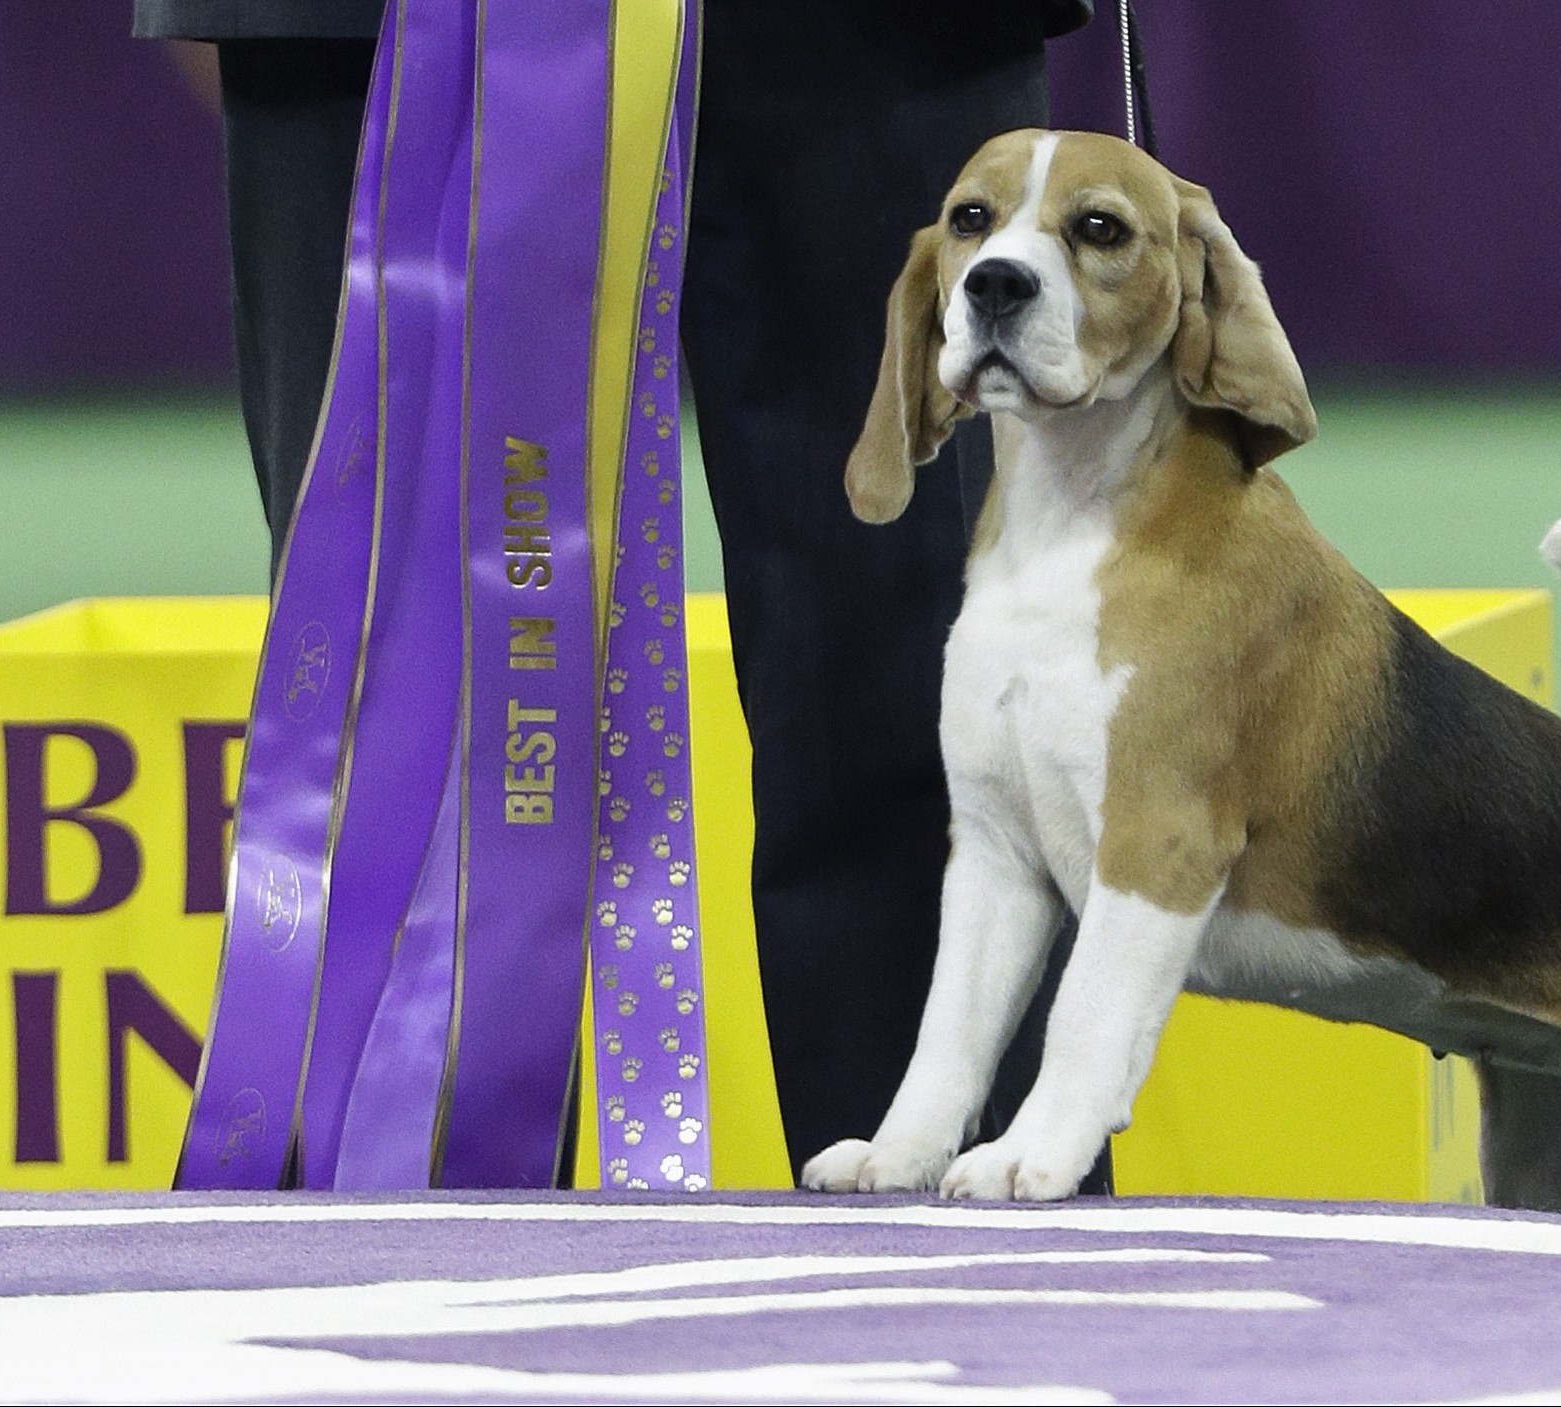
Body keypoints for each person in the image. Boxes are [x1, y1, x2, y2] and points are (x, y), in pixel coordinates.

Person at [133, 0, 1109, 1191]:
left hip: (878, 39)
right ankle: (395, 1284)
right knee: (406, 715)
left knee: (931, 700)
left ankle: (1002, 1303)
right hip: (381, 24)